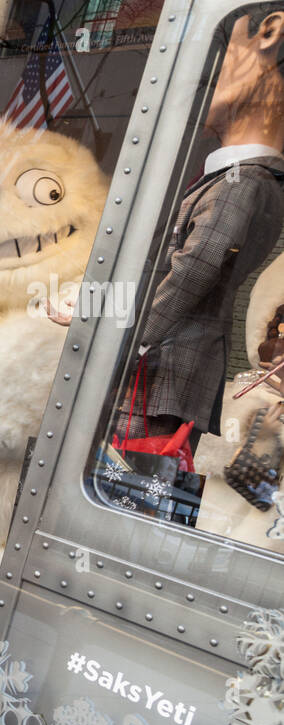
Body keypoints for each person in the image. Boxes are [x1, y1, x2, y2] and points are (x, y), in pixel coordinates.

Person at [123, 7, 284, 453]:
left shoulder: (243, 181)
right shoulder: (242, 179)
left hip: (167, 369)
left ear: (270, 33)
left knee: (135, 467)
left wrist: (130, 338)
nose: (209, 74)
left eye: (222, 51)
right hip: (171, 366)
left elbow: (197, 264)